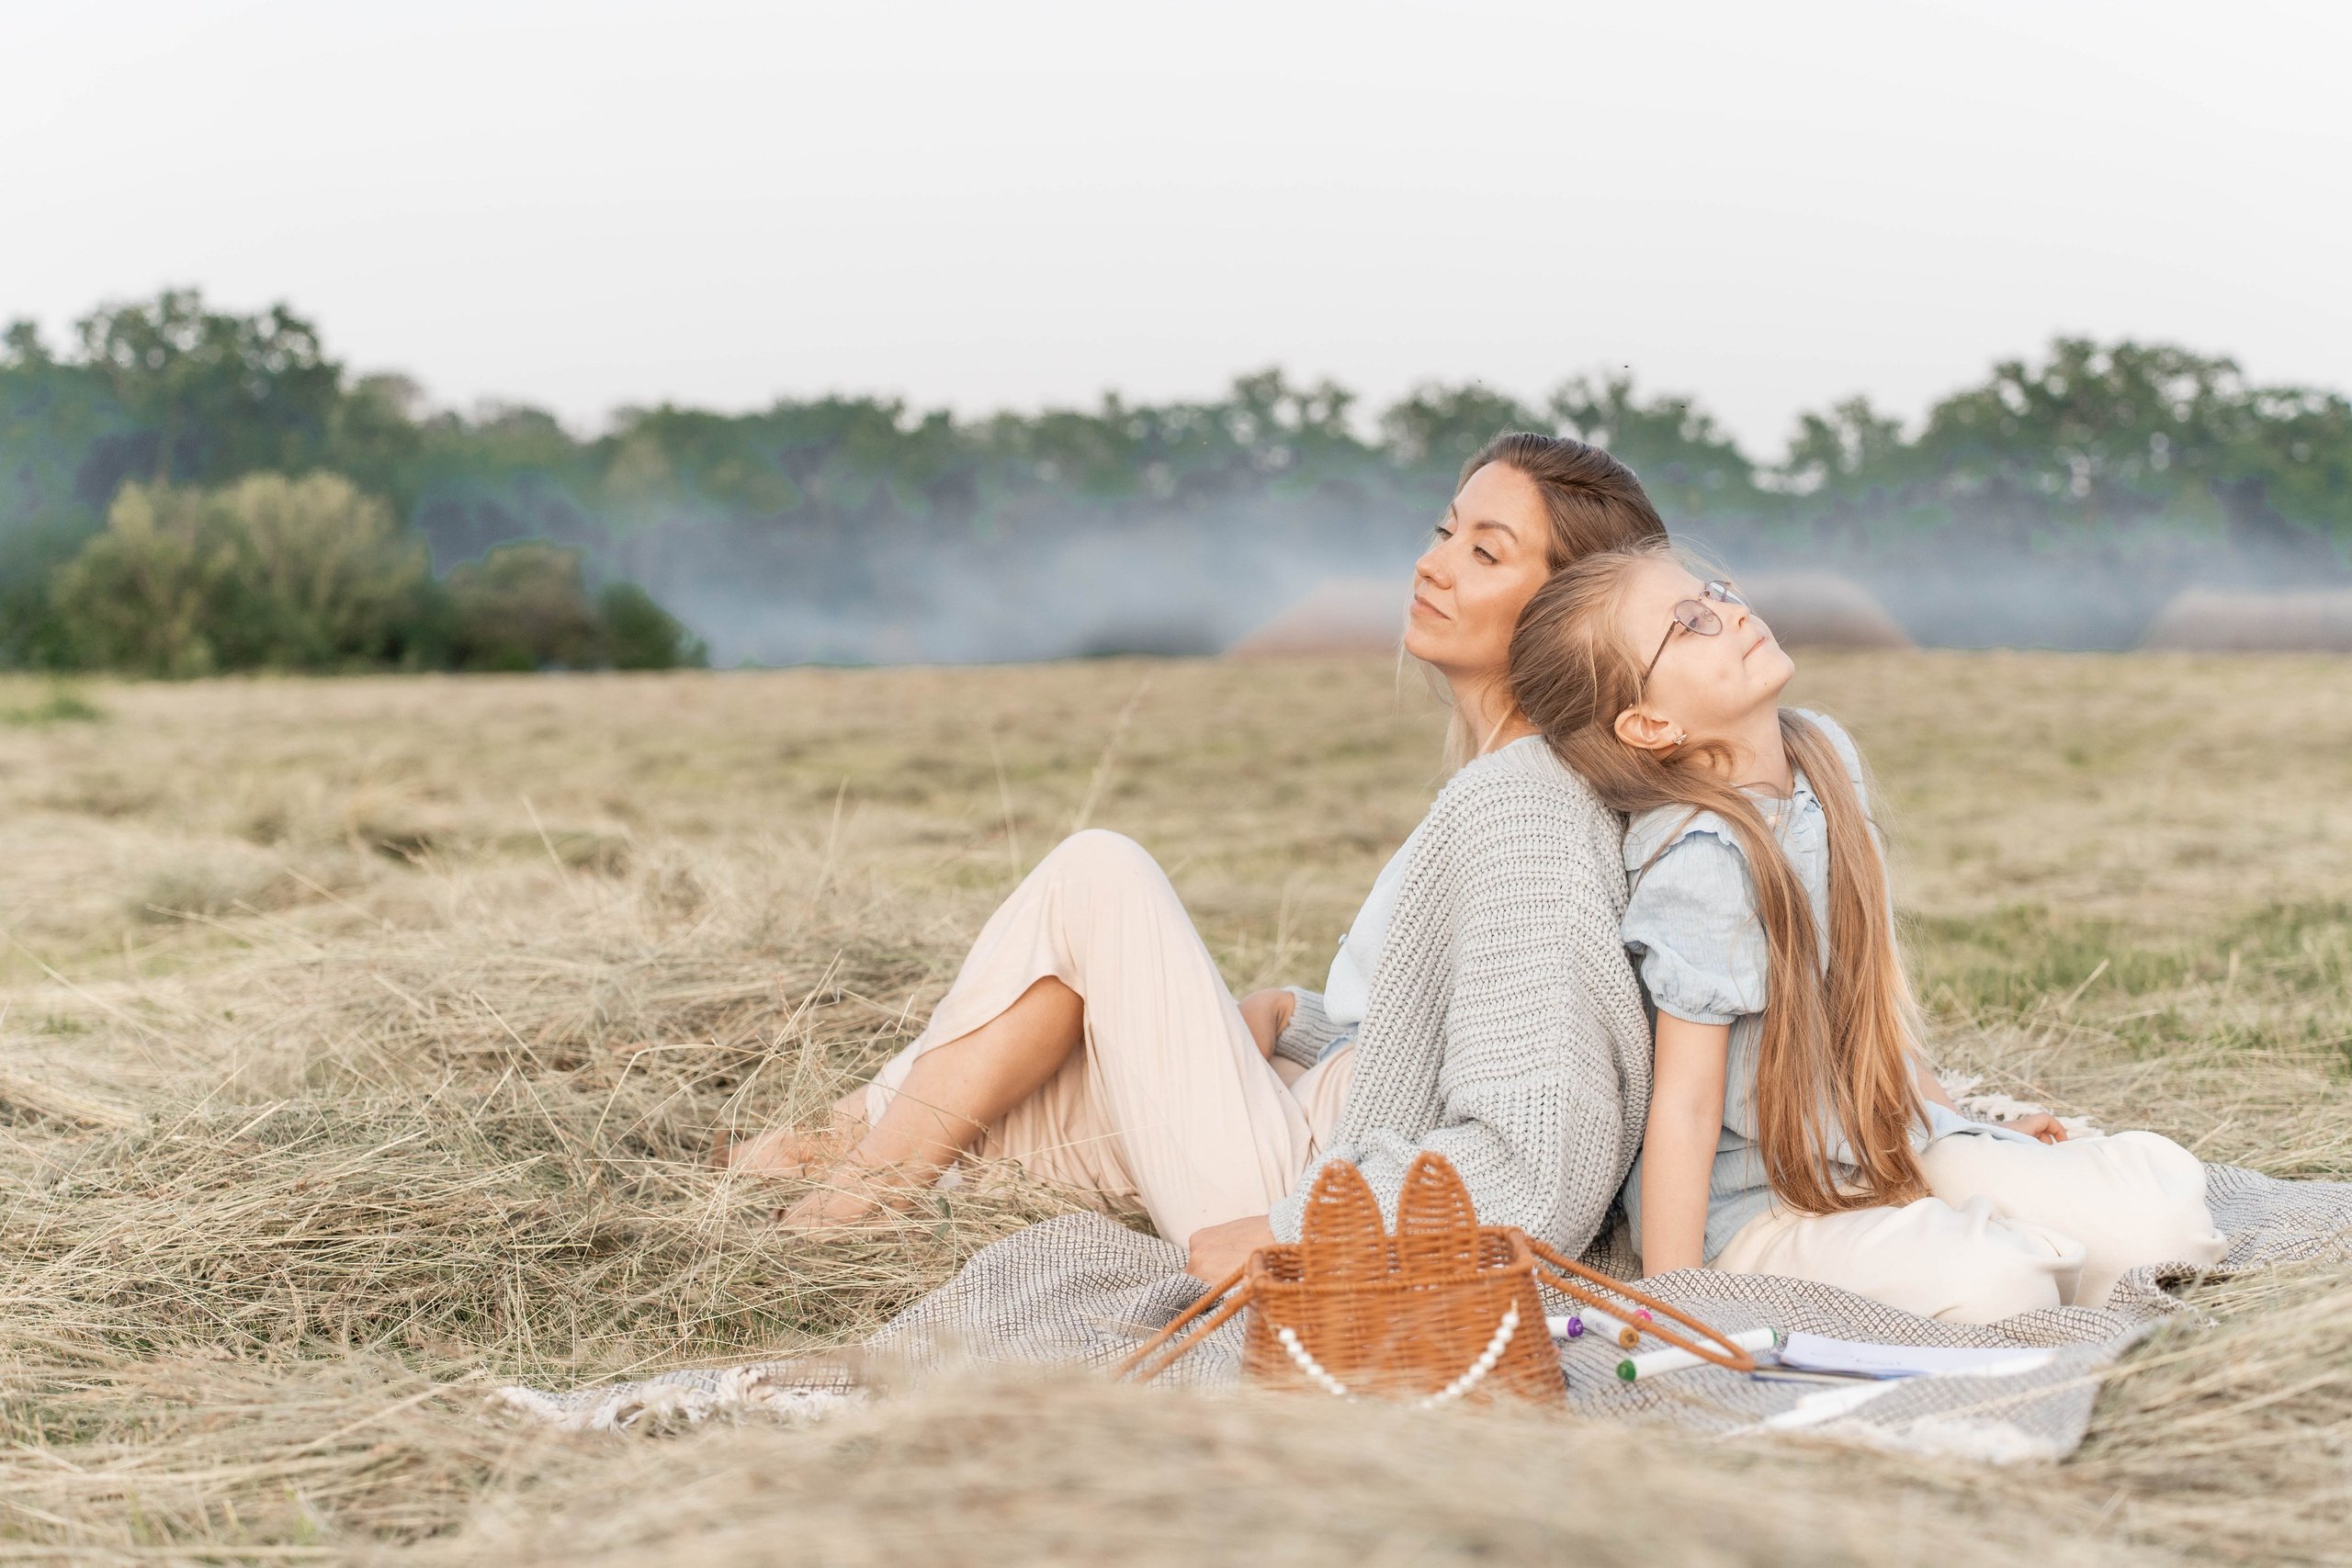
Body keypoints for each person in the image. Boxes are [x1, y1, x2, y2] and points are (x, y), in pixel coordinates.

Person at [722, 434, 1663, 1282]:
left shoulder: (1529, 812)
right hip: (1305, 1136)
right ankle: (841, 1151)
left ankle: (859, 1193)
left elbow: (1542, 1148)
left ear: (1568, 614)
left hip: (1307, 1191)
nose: (1433, 564)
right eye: (1444, 530)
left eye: (1484, 552)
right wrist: (1304, 1022)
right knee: (994, 1100)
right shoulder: (1499, 787)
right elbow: (1439, 1040)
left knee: (1098, 876)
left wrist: (1294, 1229)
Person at [1506, 541, 2227, 1322]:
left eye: (1715, 591)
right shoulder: (1701, 861)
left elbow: (1861, 995)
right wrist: (1675, 1303)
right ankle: (1962, 1246)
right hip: (1768, 1201)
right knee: (2002, 1288)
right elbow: (1685, 1102)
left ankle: (1974, 1217)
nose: (1731, 611)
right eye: (1690, 621)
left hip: (1886, 1144)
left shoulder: (1823, 759)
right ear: (1649, 723)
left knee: (2167, 1228)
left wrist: (1957, 1123)